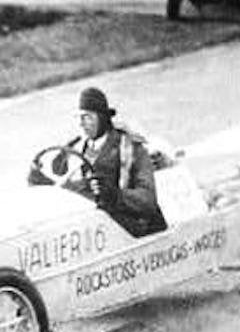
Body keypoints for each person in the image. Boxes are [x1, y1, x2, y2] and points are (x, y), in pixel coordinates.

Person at [37, 88, 168, 238]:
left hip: (130, 225)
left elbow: (147, 199)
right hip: (92, 225)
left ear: (102, 118)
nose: (82, 124)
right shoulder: (78, 148)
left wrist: (114, 195)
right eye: (80, 118)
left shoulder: (131, 148)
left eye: (88, 118)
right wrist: (43, 182)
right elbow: (71, 188)